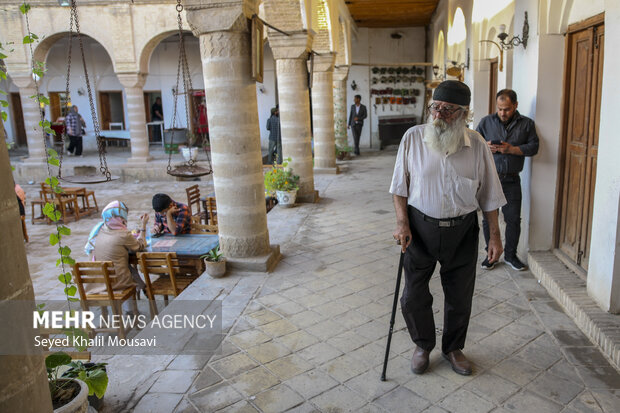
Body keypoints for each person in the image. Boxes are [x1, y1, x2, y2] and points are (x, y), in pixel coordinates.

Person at [390, 80, 506, 376]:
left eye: (447, 109)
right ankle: (422, 345)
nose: (438, 114)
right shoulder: (413, 138)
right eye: (435, 107)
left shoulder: (477, 144)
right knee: (413, 294)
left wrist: (495, 236)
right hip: (420, 228)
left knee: (459, 295)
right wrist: (402, 222)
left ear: (463, 113)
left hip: (462, 231)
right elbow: (399, 186)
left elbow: (489, 195)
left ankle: (453, 348)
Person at [476, 89, 539, 271]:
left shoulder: (527, 124)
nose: (503, 113)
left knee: (513, 219)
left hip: (512, 180)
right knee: (489, 219)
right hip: (490, 178)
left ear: (516, 105)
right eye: (500, 109)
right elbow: (472, 144)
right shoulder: (486, 122)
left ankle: (511, 255)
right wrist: (484, 146)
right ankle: (491, 255)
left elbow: (534, 147)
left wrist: (511, 149)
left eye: (507, 109)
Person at [84, 201, 149, 299]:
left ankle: (143, 287)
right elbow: (141, 245)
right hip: (116, 283)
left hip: (99, 282)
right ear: (120, 217)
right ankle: (131, 310)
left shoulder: (99, 230)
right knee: (126, 270)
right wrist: (143, 225)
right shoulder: (123, 234)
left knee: (125, 265)